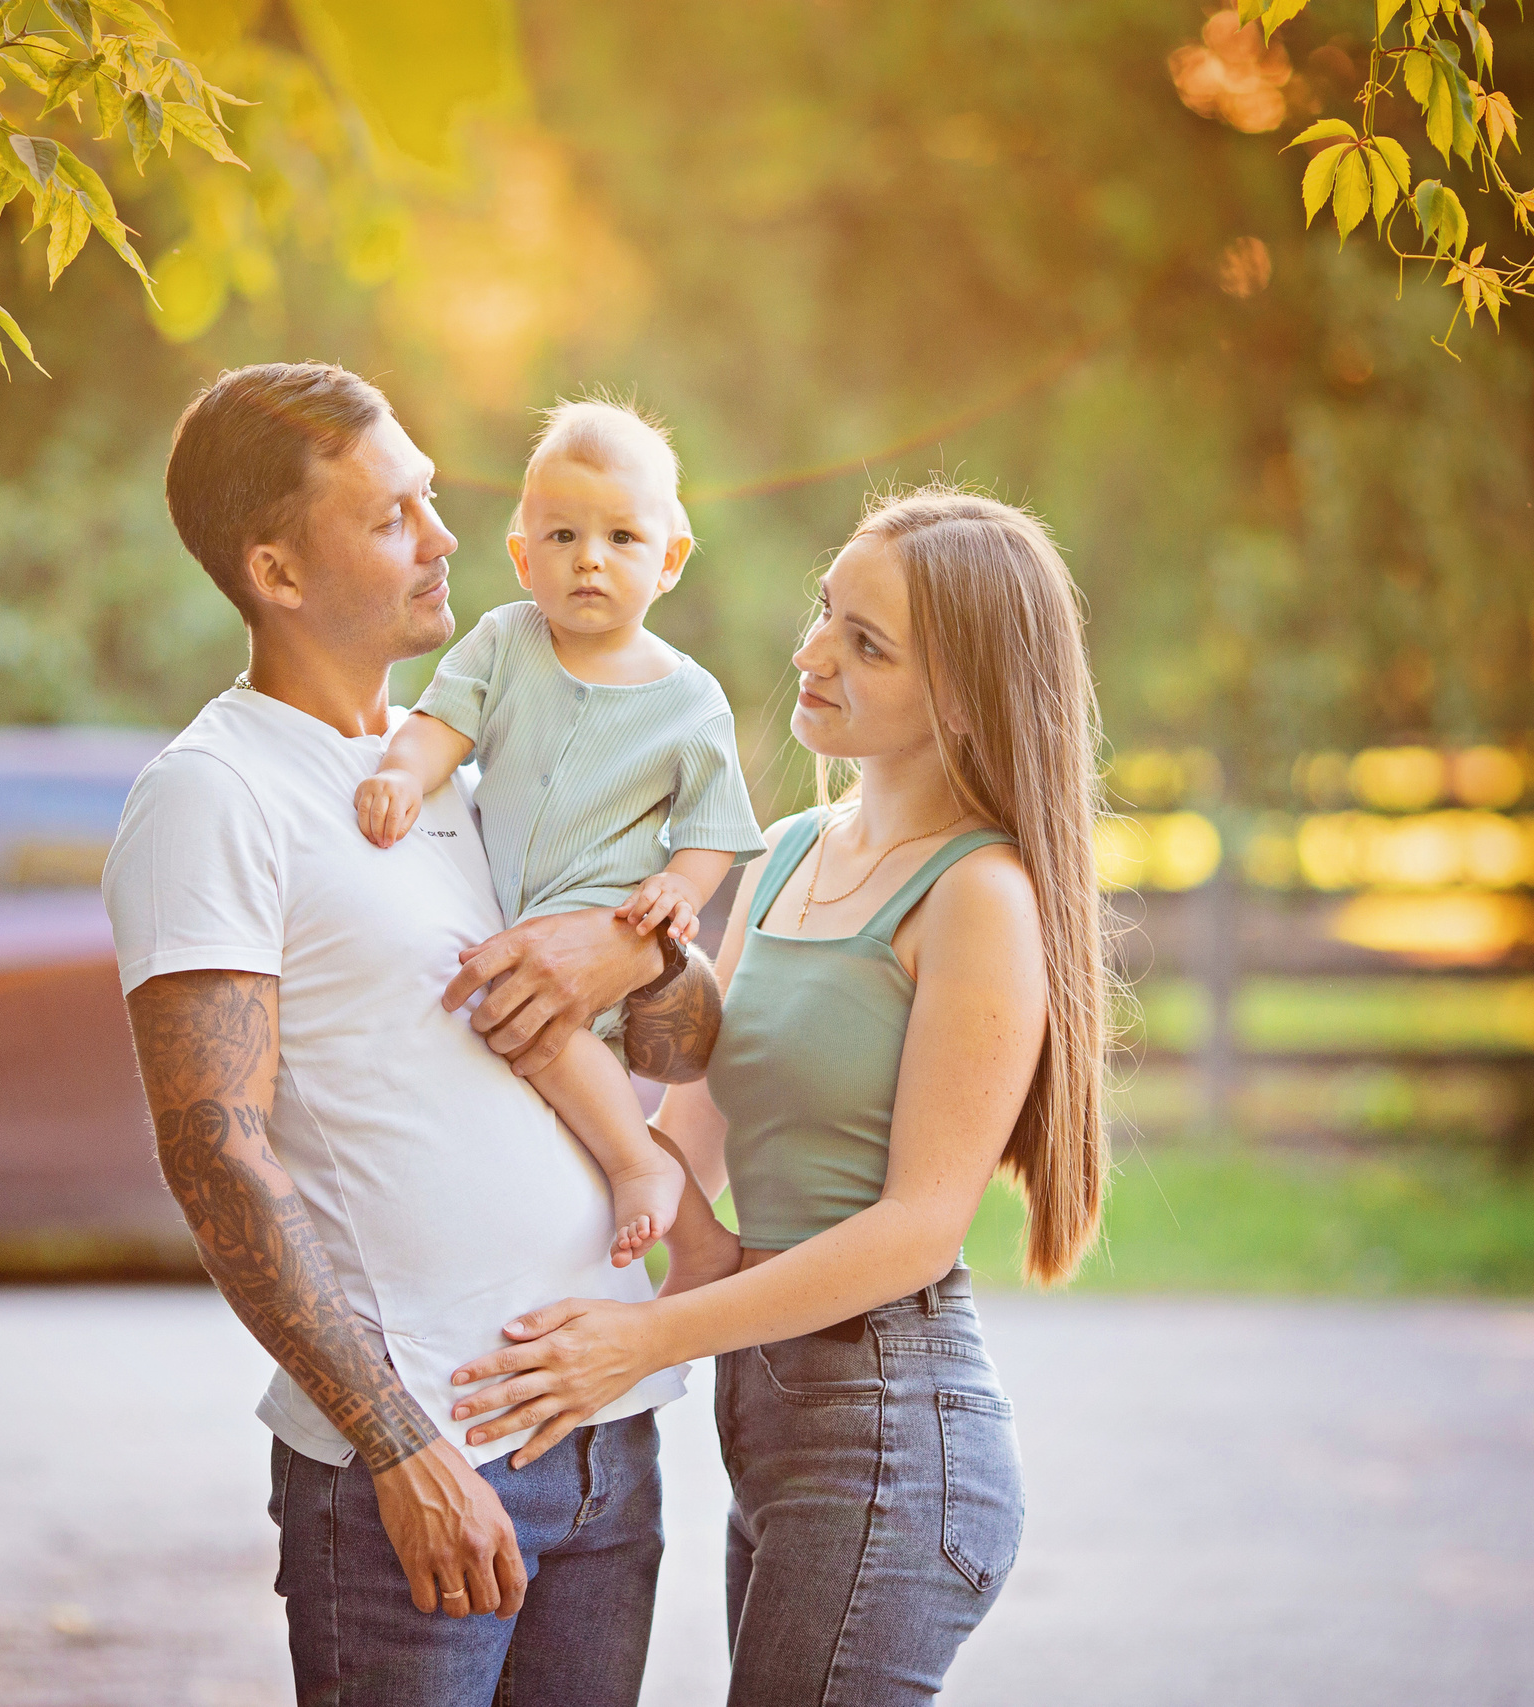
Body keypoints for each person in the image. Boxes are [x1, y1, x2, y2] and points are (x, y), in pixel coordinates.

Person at [102, 362, 723, 1705]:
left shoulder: (476, 776)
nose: (445, 538)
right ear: (275, 569)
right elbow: (215, 1152)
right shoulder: (214, 793)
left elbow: (676, 1047)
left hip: (604, 1437)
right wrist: (399, 1445)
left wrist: (641, 945)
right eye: (392, 516)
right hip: (420, 1469)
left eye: (431, 497)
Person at [445, 484, 1112, 1706]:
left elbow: (917, 1230)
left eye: (866, 644)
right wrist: (542, 1052)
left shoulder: (977, 895)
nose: (810, 655)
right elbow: (682, 1151)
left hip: (889, 1427)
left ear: (964, 696)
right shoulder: (792, 851)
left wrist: (644, 1338)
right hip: (774, 1415)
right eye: (824, 613)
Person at [355, 399, 766, 1266]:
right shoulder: (505, 641)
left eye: (622, 537)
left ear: (670, 560)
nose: (590, 558)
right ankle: (683, 1230)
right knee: (548, 1077)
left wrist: (680, 887)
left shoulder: (690, 699)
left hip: (603, 918)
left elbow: (713, 826)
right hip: (504, 909)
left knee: (548, 1040)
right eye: (563, 536)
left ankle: (638, 1166)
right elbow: (441, 723)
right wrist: (401, 772)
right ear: (522, 555)